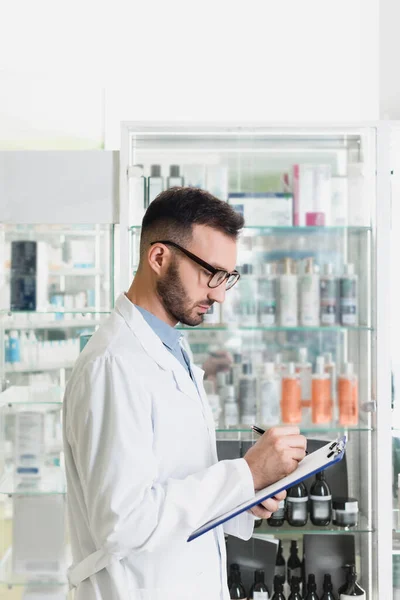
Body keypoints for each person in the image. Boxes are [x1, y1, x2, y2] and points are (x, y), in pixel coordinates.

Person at [63, 187, 307, 600]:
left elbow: (174, 482)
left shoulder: (169, 346)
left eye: (227, 277)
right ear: (159, 258)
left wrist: (245, 497)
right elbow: (124, 522)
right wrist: (243, 474)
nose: (219, 293)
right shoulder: (114, 363)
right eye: (211, 273)